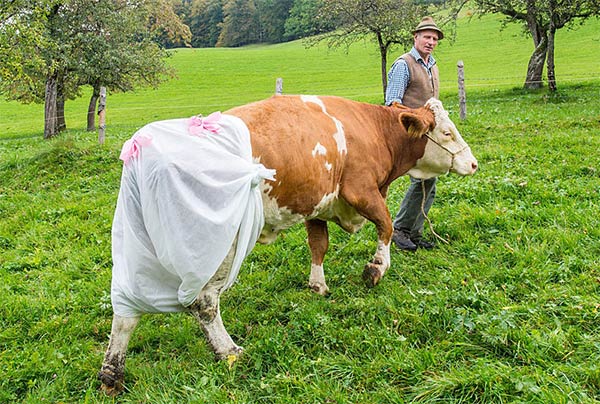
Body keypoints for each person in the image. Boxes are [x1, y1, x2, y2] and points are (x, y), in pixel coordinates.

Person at [385, 16, 443, 251]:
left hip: (427, 133)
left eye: (434, 38)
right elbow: (393, 104)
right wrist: (415, 121)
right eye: (427, 37)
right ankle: (400, 229)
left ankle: (414, 231)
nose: (430, 42)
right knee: (422, 179)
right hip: (408, 132)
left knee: (429, 180)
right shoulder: (404, 64)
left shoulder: (432, 65)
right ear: (416, 37)